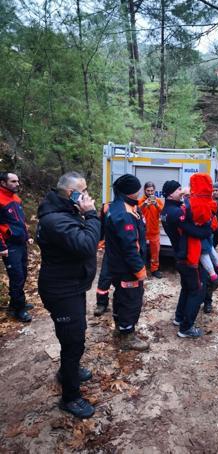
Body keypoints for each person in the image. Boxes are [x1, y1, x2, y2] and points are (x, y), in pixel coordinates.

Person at [36, 172, 101, 419]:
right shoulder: (55, 220)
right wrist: (91, 214)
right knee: (73, 343)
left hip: (72, 286)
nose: (86, 195)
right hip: (62, 291)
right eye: (81, 191)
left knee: (75, 336)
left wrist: (85, 216)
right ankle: (70, 397)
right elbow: (86, 244)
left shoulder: (66, 212)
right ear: (68, 193)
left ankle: (67, 371)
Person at [101, 174, 149, 351]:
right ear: (132, 191)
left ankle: (121, 327)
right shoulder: (124, 214)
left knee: (122, 296)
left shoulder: (122, 206)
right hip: (127, 268)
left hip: (118, 265)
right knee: (131, 300)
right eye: (138, 188)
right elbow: (130, 246)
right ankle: (126, 336)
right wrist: (139, 269)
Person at [161, 180, 212, 338]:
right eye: (178, 189)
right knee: (197, 290)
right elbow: (198, 232)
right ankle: (186, 327)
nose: (181, 191)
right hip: (188, 256)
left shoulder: (168, 209)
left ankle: (179, 317)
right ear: (170, 193)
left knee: (187, 287)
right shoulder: (177, 212)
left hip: (180, 254)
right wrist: (208, 227)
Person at [0, 172, 33, 322]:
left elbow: (20, 221)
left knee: (23, 274)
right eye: (13, 181)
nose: (17, 184)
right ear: (3, 183)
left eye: (18, 181)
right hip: (9, 245)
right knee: (17, 277)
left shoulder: (16, 199)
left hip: (21, 243)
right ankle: (19, 310)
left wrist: (27, 236)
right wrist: (2, 246)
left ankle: (16, 304)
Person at [185, 173, 218, 289]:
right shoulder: (211, 202)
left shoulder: (193, 203)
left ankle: (214, 276)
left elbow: (190, 216)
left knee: (204, 254)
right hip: (208, 233)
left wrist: (186, 199)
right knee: (211, 250)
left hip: (198, 234)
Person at [138, 181, 163, 278]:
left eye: (152, 191)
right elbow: (135, 211)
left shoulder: (158, 201)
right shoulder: (140, 201)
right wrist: (144, 204)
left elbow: (164, 213)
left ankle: (154, 269)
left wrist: (156, 204)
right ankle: (141, 269)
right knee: (141, 251)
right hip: (142, 231)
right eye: (148, 190)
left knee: (155, 252)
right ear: (144, 190)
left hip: (154, 231)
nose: (150, 193)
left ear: (154, 191)